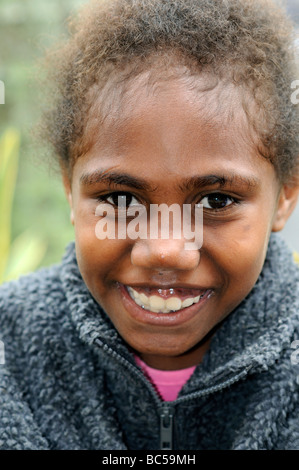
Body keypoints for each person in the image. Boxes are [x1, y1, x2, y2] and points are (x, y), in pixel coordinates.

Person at [1, 0, 299, 451]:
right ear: (69, 189)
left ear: (285, 196)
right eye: (121, 200)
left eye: (215, 201)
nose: (164, 248)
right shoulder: (11, 351)